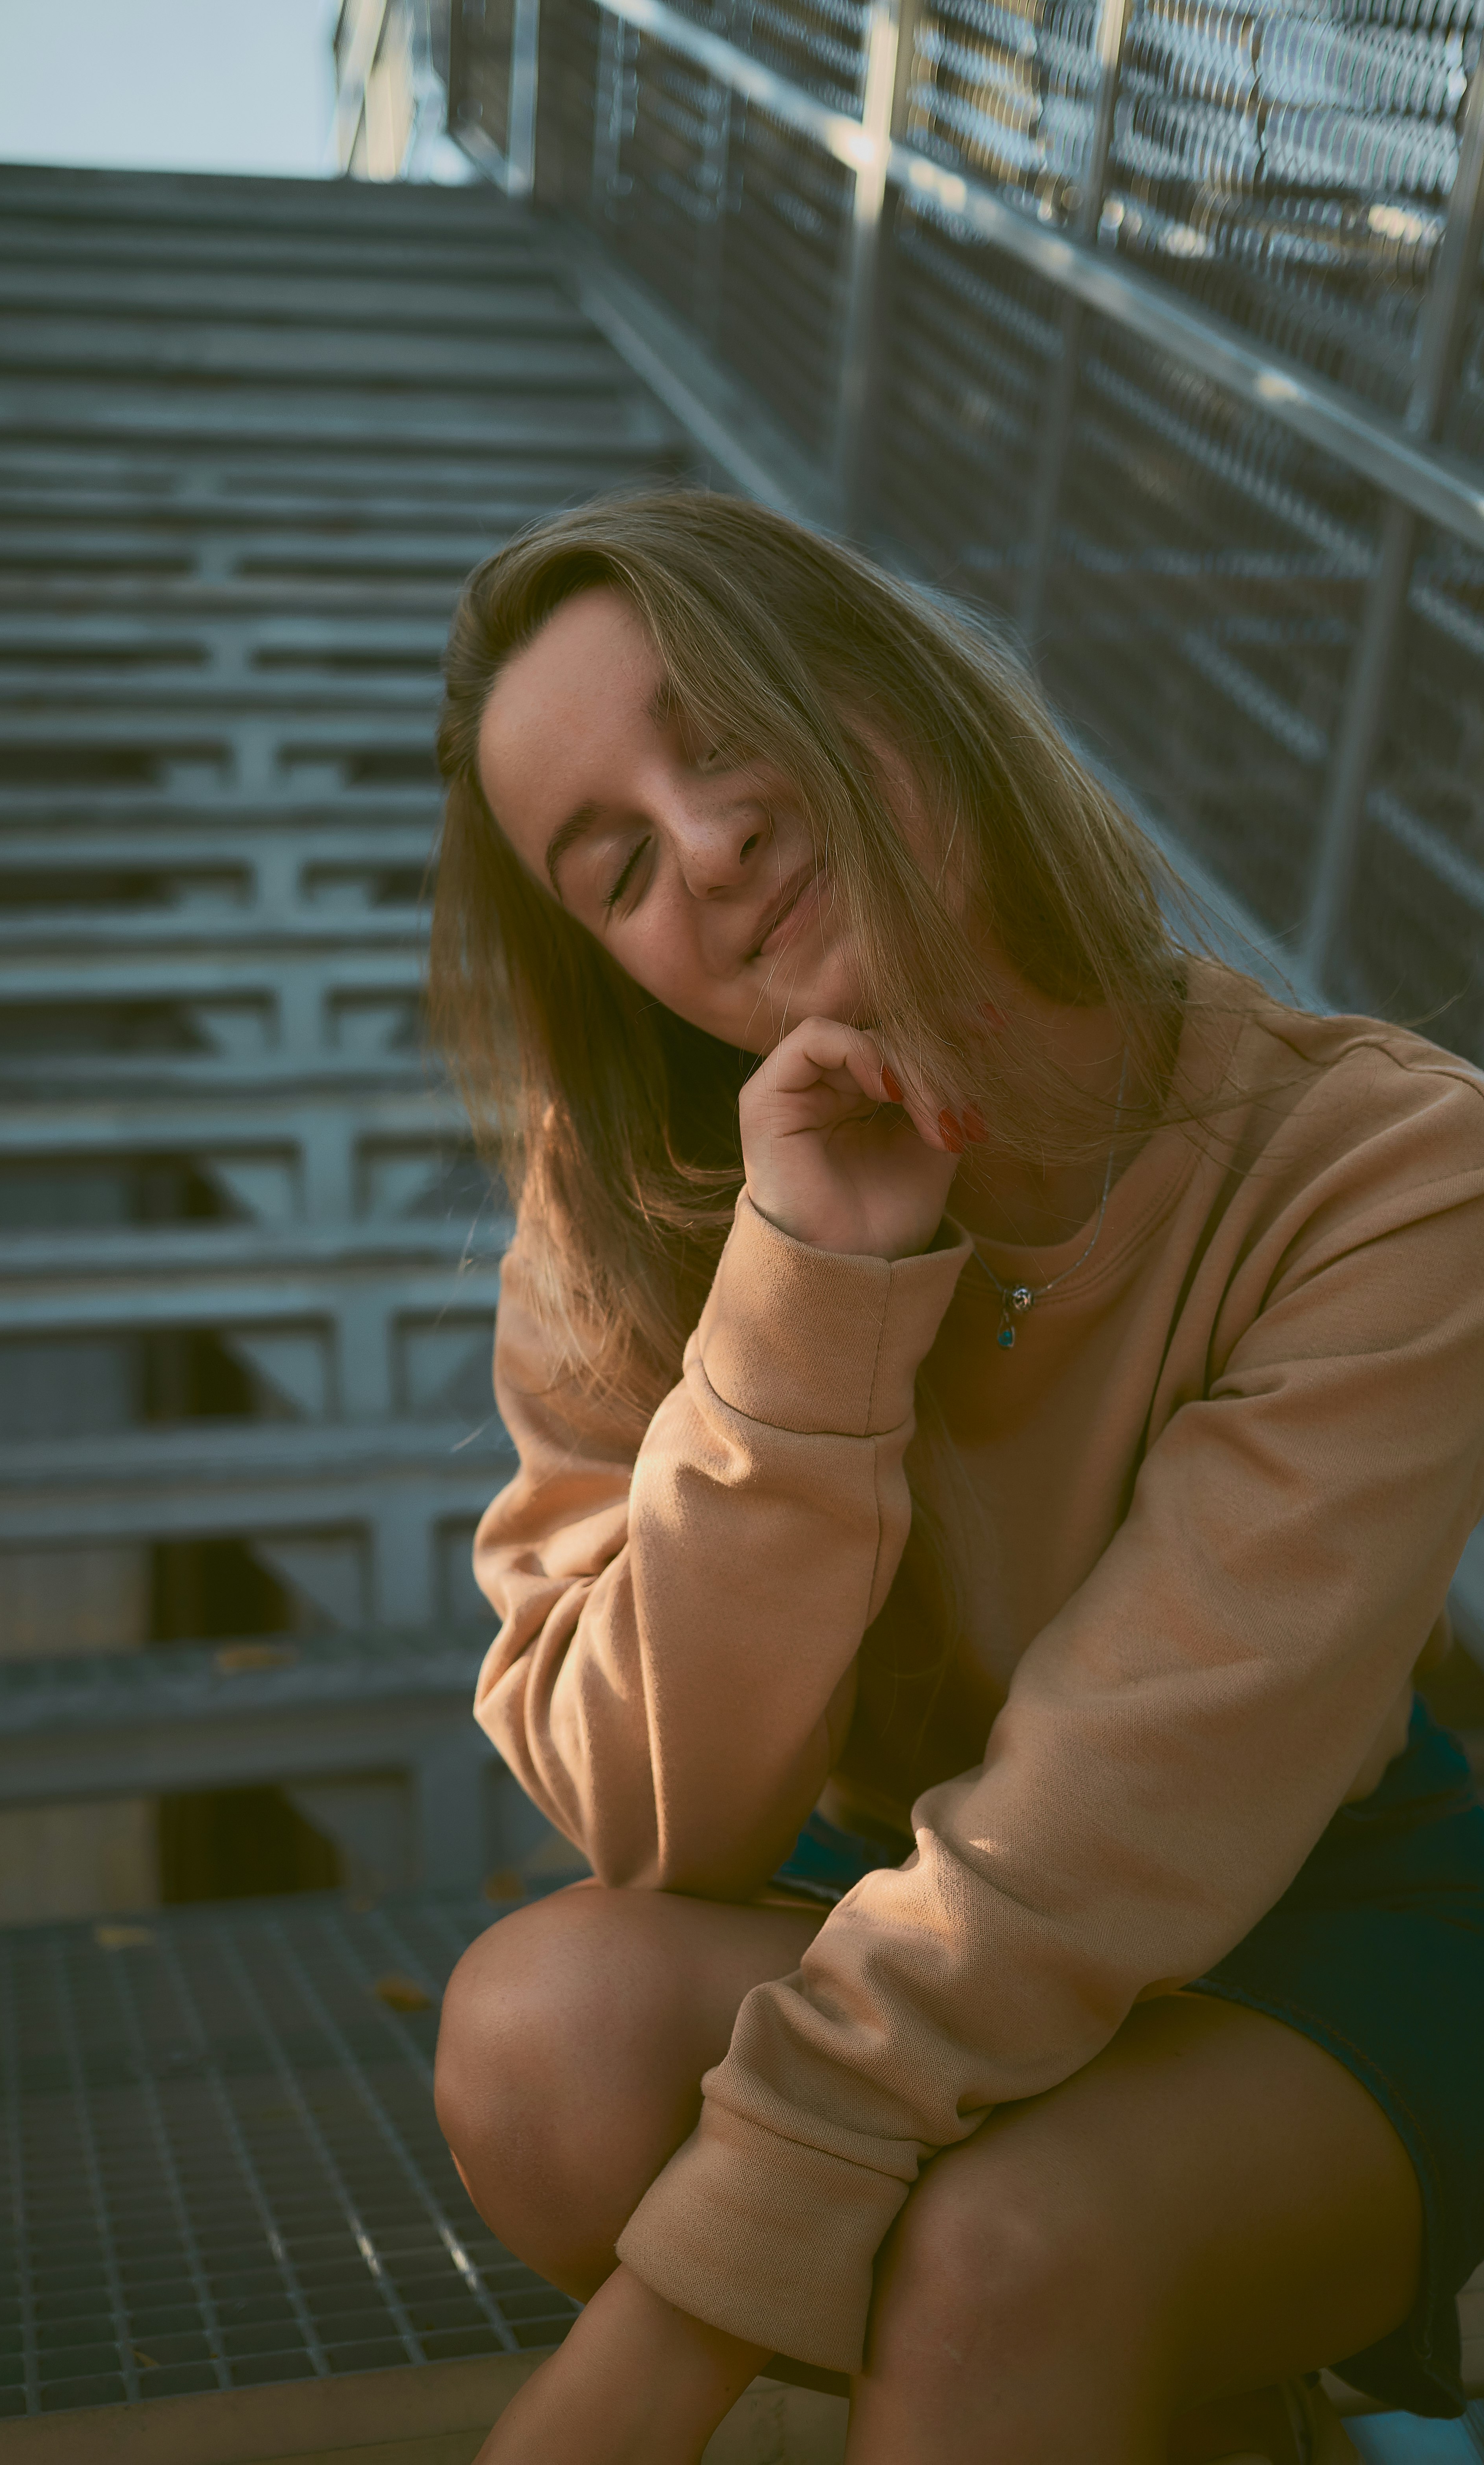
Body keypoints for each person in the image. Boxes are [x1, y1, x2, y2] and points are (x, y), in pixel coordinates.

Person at [424, 490, 1484, 2465]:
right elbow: (658, 1819)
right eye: (615, 862)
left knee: (1009, 2255)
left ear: (888, 682)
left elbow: (1136, 1802)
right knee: (542, 2038)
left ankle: (1145, 2301)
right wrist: (812, 1293)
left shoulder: (1386, 1169)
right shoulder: (619, 1206)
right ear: (617, 966)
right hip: (896, 1895)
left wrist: (675, 2320)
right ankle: (1176, 2364)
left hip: (1319, 1916)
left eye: (723, 730)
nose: (711, 841)